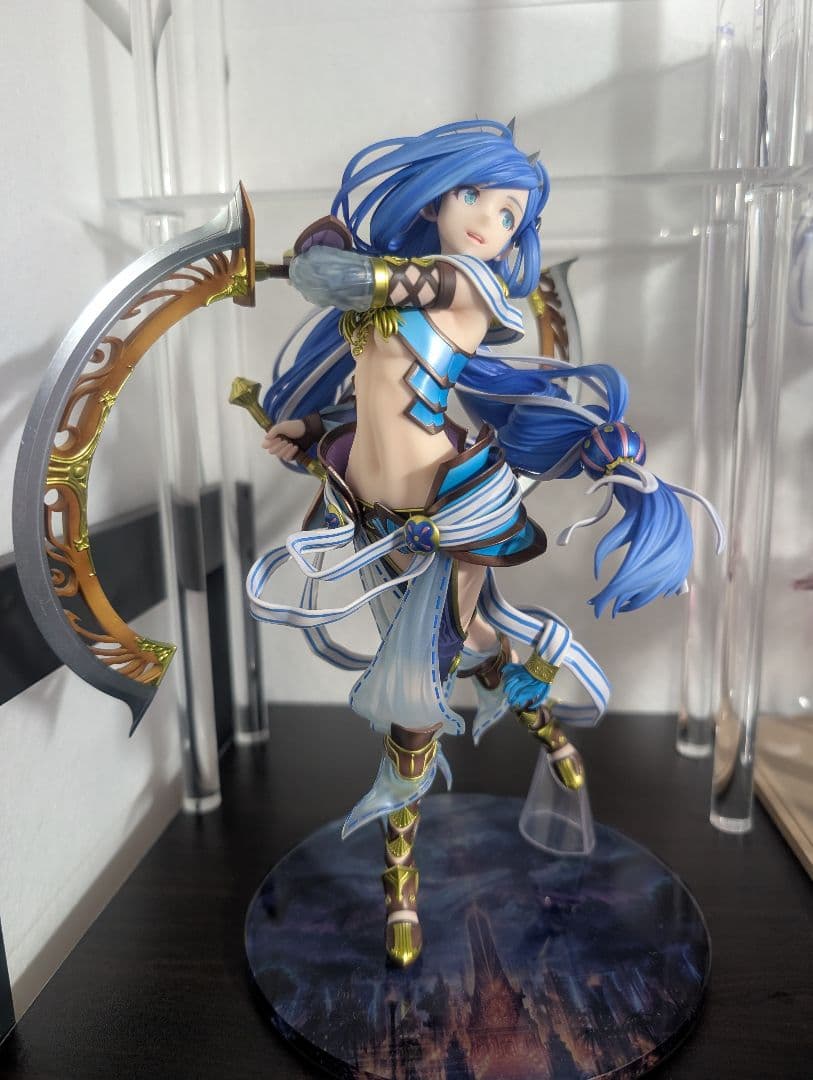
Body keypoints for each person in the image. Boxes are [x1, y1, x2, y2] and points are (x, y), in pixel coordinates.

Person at [246, 119, 724, 966]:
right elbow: (378, 388)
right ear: (437, 198)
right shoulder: (403, 296)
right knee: (476, 641)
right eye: (474, 196)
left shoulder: (461, 282)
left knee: (417, 690)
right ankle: (542, 716)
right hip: (370, 503)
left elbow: (342, 278)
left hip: (449, 514)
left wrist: (302, 257)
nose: (487, 222)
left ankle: (400, 881)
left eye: (508, 215)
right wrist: (313, 427)